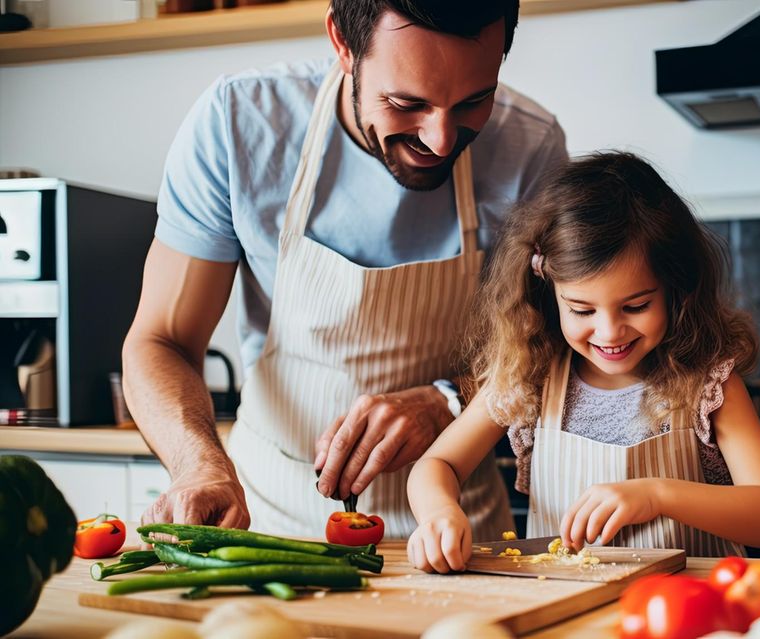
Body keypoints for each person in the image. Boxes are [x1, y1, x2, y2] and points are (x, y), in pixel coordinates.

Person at [121, 0, 568, 538]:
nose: (440, 139)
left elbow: (558, 346)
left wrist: (450, 401)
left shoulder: (531, 148)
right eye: (406, 103)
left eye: (474, 102)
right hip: (269, 517)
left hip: (455, 524)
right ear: (342, 44)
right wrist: (200, 466)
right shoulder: (239, 124)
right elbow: (161, 341)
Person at [406, 151, 760, 572]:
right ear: (548, 292)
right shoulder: (530, 376)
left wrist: (656, 495)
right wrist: (439, 512)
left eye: (636, 306)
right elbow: (438, 464)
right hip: (559, 607)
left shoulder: (706, 383)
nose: (610, 332)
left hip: (683, 612)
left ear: (675, 288)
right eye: (582, 310)